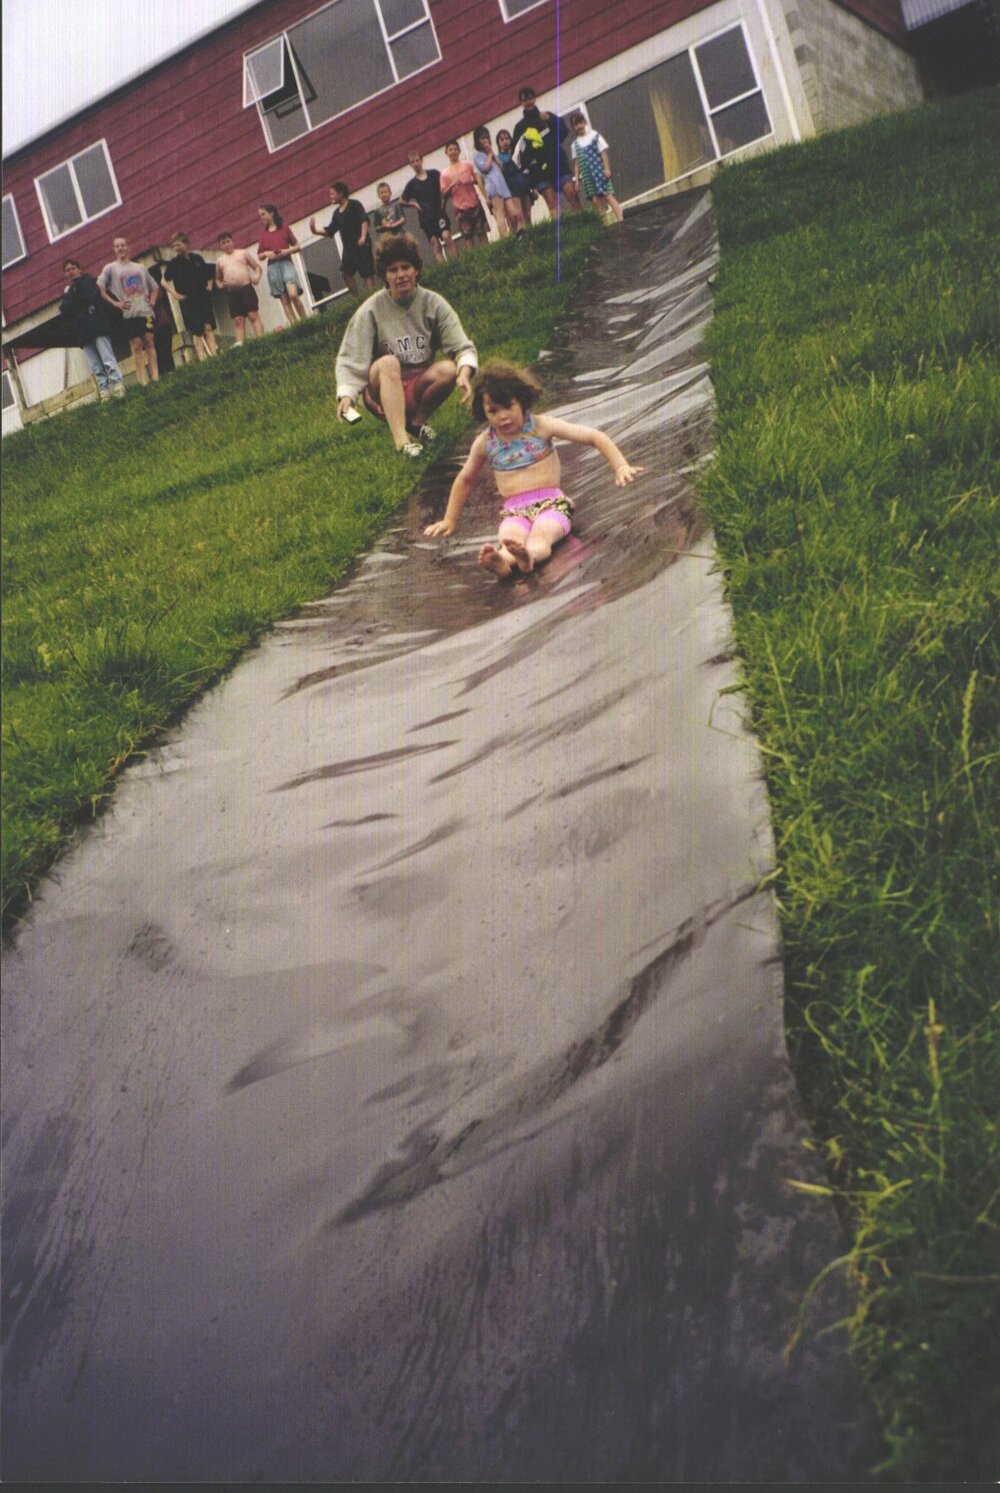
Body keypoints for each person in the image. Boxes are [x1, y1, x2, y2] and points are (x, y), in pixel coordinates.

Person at [423, 360, 641, 577]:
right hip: (514, 511)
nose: (502, 416)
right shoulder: (485, 443)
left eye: (508, 406)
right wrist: (450, 519)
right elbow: (465, 479)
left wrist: (621, 466)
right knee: (510, 536)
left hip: (552, 504)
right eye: (493, 411)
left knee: (542, 534)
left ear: (523, 401)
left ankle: (529, 557)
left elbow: (594, 437)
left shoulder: (540, 427)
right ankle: (504, 563)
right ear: (484, 412)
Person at [335, 233, 477, 459]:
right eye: (393, 270)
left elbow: (462, 347)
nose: (401, 275)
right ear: (384, 275)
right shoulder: (371, 309)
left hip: (418, 384)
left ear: (416, 270)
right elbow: (352, 358)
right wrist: (346, 395)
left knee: (449, 368)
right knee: (389, 362)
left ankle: (416, 422)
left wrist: (464, 372)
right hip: (382, 388)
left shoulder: (433, 303)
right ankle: (402, 442)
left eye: (406, 267)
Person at [510, 86, 581, 217]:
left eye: (530, 98)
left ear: (535, 99)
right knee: (552, 204)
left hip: (559, 166)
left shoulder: (546, 116)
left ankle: (587, 225)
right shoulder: (520, 127)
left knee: (572, 195)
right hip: (540, 175)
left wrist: (551, 119)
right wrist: (530, 170)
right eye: (525, 100)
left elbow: (563, 132)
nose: (529, 102)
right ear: (521, 103)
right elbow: (516, 156)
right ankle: (563, 234)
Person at [60, 258, 125, 399]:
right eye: (67, 270)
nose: (70, 272)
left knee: (108, 360)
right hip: (83, 333)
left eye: (72, 268)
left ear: (79, 269)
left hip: (98, 327)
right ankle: (104, 392)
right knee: (96, 366)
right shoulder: (69, 291)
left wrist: (75, 301)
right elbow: (64, 308)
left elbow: (88, 295)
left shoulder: (89, 281)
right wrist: (75, 300)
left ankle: (118, 386)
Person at [98, 236, 160, 384]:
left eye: (122, 245)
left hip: (145, 312)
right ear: (114, 250)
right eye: (117, 246)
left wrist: (151, 301)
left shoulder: (140, 267)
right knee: (136, 344)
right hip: (129, 313)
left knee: (149, 341)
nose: (120, 248)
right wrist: (115, 303)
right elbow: (100, 287)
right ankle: (143, 382)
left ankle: (156, 378)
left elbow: (155, 287)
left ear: (127, 247)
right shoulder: (111, 268)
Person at [310, 182, 375, 297]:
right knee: (345, 273)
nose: (330, 197)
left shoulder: (354, 205)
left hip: (361, 244)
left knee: (366, 273)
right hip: (349, 248)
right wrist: (315, 231)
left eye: (332, 194)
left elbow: (363, 220)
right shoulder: (336, 214)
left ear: (340, 193)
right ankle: (357, 299)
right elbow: (330, 230)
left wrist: (363, 236)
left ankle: (372, 296)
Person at [162, 233, 218, 359]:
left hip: (202, 298)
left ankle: (215, 357)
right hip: (188, 301)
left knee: (208, 327)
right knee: (197, 330)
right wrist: (175, 294)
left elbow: (209, 276)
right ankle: (202, 358)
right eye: (174, 245)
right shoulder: (174, 263)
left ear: (186, 244)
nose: (176, 247)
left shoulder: (197, 258)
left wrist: (208, 289)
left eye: (179, 244)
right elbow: (163, 281)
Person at [569, 112, 625, 223]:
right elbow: (577, 163)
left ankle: (621, 219)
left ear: (584, 122)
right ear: (573, 127)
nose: (579, 126)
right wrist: (576, 180)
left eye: (580, 123)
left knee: (608, 195)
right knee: (596, 200)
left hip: (599, 172)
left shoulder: (594, 135)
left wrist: (607, 168)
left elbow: (603, 152)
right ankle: (605, 224)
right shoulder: (574, 145)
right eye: (576, 124)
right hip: (587, 176)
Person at [400, 151, 455, 263]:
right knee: (435, 243)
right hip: (426, 217)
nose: (415, 164)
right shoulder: (412, 184)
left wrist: (444, 199)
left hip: (439, 213)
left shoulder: (434, 174)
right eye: (412, 162)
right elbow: (402, 201)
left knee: (446, 236)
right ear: (410, 165)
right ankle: (445, 269)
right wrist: (414, 204)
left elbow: (445, 187)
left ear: (421, 160)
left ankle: (458, 262)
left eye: (417, 160)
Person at [257, 203, 307, 324]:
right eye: (260, 216)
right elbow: (260, 255)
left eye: (263, 214)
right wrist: (268, 254)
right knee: (284, 300)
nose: (261, 218)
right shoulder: (263, 234)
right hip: (272, 268)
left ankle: (305, 321)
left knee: (293, 294)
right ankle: (295, 325)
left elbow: (297, 246)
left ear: (271, 213)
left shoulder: (284, 228)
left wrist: (285, 252)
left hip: (286, 263)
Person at [472, 126, 523, 237]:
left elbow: (502, 167)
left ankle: (513, 235)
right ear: (477, 140)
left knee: (514, 214)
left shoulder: (490, 152)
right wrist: (489, 155)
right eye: (482, 138)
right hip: (493, 185)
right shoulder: (476, 154)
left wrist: (492, 154)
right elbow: (485, 168)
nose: (485, 140)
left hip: (503, 185)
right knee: (500, 213)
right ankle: (506, 240)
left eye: (486, 137)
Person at [214, 232, 265, 345]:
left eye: (228, 241)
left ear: (233, 241)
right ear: (220, 246)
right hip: (232, 293)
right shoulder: (220, 261)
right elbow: (217, 280)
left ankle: (262, 340)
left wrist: (256, 277)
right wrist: (221, 285)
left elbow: (257, 267)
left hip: (246, 288)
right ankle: (240, 345)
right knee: (238, 320)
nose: (227, 245)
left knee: (253, 315)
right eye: (223, 243)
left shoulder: (243, 253)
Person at [439, 140, 490, 250]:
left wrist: (469, 181)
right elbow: (444, 194)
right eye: (450, 149)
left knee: (482, 232)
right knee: (468, 237)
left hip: (474, 203)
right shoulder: (444, 173)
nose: (453, 152)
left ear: (459, 151)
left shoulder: (467, 164)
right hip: (460, 208)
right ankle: (472, 261)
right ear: (446, 152)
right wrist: (453, 184)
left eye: (455, 149)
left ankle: (489, 254)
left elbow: (478, 180)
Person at [496, 128, 534, 229]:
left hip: (522, 183)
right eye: (502, 139)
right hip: (512, 187)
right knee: (519, 215)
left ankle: (532, 235)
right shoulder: (499, 158)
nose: (505, 141)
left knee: (528, 215)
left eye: (507, 138)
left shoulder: (517, 153)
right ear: (498, 143)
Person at [146, 263, 178, 374]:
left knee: (166, 350)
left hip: (162, 323)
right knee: (157, 352)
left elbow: (154, 301)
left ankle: (171, 372)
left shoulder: (155, 288)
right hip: (151, 325)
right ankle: (163, 375)